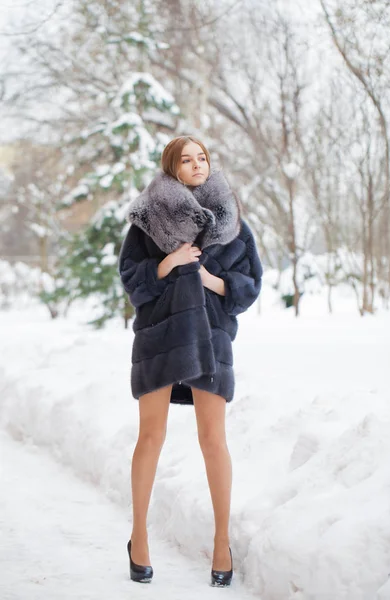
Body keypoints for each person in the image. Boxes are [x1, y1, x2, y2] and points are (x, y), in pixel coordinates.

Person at [118, 135, 263, 587]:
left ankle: (222, 542)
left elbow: (250, 282)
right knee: (151, 436)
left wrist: (207, 278)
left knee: (213, 440)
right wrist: (168, 264)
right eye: (188, 159)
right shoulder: (147, 218)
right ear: (172, 168)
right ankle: (138, 535)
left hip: (210, 337)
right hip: (160, 336)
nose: (198, 164)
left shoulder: (231, 221)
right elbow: (130, 276)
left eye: (202, 157)